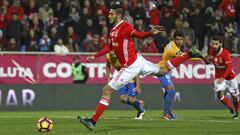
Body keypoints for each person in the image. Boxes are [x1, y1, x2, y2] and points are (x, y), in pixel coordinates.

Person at [77, 4, 204, 130]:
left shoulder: (125, 26)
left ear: (118, 15)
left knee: (106, 90)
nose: (108, 15)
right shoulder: (113, 31)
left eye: (111, 13)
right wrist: (96, 56)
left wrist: (150, 32)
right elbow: (110, 47)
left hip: (130, 66)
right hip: (138, 60)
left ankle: (92, 121)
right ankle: (189, 54)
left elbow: (139, 35)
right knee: (162, 71)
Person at [204, 35, 240, 119]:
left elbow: (229, 68)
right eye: (213, 44)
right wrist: (206, 61)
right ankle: (230, 107)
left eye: (216, 44)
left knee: (235, 97)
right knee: (219, 95)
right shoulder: (210, 52)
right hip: (218, 76)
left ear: (220, 44)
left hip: (230, 77)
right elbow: (208, 62)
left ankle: (237, 111)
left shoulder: (225, 53)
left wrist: (223, 78)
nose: (214, 46)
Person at [106, 52, 145, 119]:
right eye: (111, 51)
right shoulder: (108, 56)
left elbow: (136, 70)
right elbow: (107, 66)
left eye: (114, 50)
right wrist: (108, 79)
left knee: (130, 100)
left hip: (132, 79)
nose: (113, 52)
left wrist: (138, 85)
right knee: (122, 99)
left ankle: (141, 111)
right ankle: (139, 103)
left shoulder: (124, 57)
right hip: (122, 79)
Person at [158, 30, 184, 120]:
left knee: (168, 91)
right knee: (171, 91)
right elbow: (183, 57)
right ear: (174, 39)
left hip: (166, 70)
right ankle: (166, 114)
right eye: (178, 39)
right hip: (162, 70)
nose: (179, 41)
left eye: (181, 39)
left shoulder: (171, 44)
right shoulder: (174, 49)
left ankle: (168, 112)